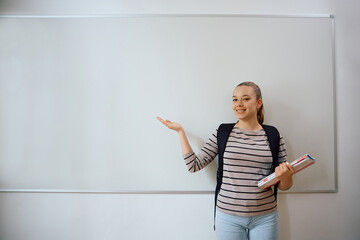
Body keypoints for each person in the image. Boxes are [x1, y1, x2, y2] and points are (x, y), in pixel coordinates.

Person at [156, 81, 295, 240]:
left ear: (259, 103)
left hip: (265, 218)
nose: (238, 104)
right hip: (228, 218)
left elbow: (285, 185)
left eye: (245, 99)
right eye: (235, 99)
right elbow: (193, 166)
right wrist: (180, 132)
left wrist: (286, 176)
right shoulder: (223, 132)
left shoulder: (273, 135)